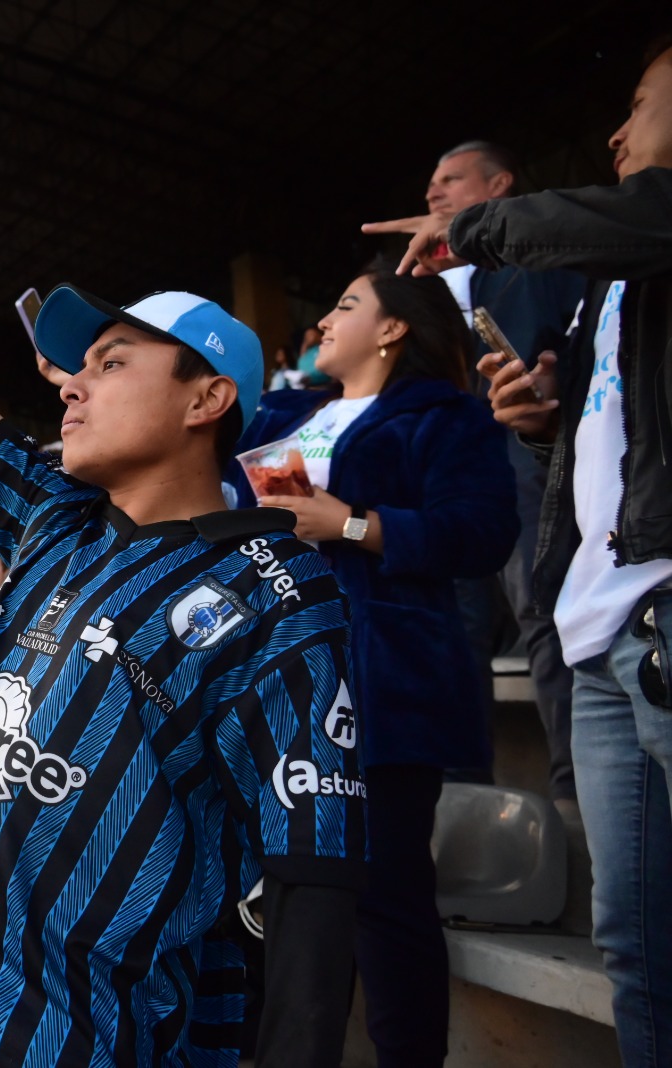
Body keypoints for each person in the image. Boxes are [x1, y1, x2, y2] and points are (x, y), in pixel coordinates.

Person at [0, 122, 365, 1068]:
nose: (73, 387)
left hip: (74, 1046)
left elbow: (313, 879)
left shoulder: (279, 600)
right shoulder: (53, 515)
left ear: (206, 402)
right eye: (81, 366)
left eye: (112, 365)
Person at [368, 35, 672, 1067]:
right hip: (600, 627)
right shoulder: (612, 292)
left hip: (658, 610)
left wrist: (471, 231)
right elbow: (611, 445)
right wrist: (545, 424)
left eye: (638, 102)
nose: (615, 129)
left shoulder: (618, 236)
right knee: (634, 944)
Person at [227, 260, 518, 1067]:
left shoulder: (448, 417)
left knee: (387, 906)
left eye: (346, 304)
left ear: (394, 329)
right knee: (274, 901)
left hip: (383, 683)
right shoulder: (284, 414)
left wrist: (352, 525)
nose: (323, 321)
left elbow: (482, 533)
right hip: (273, 675)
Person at [371, 140, 588, 804]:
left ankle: (571, 789)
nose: (433, 193)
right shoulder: (417, 284)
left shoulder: (536, 261)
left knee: (542, 611)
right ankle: (464, 790)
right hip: (447, 479)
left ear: (499, 187)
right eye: (430, 182)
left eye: (451, 180)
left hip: (525, 462)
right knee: (456, 628)